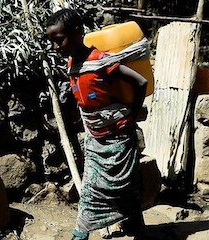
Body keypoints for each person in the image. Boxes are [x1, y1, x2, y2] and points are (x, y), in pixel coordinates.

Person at [46, 9, 147, 240]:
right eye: (52, 42)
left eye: (59, 40)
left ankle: (137, 230)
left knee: (125, 186)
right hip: (95, 137)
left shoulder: (101, 61)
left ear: (78, 33)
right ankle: (82, 234)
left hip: (120, 136)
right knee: (91, 189)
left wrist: (132, 111)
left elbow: (140, 81)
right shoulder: (73, 63)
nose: (55, 47)